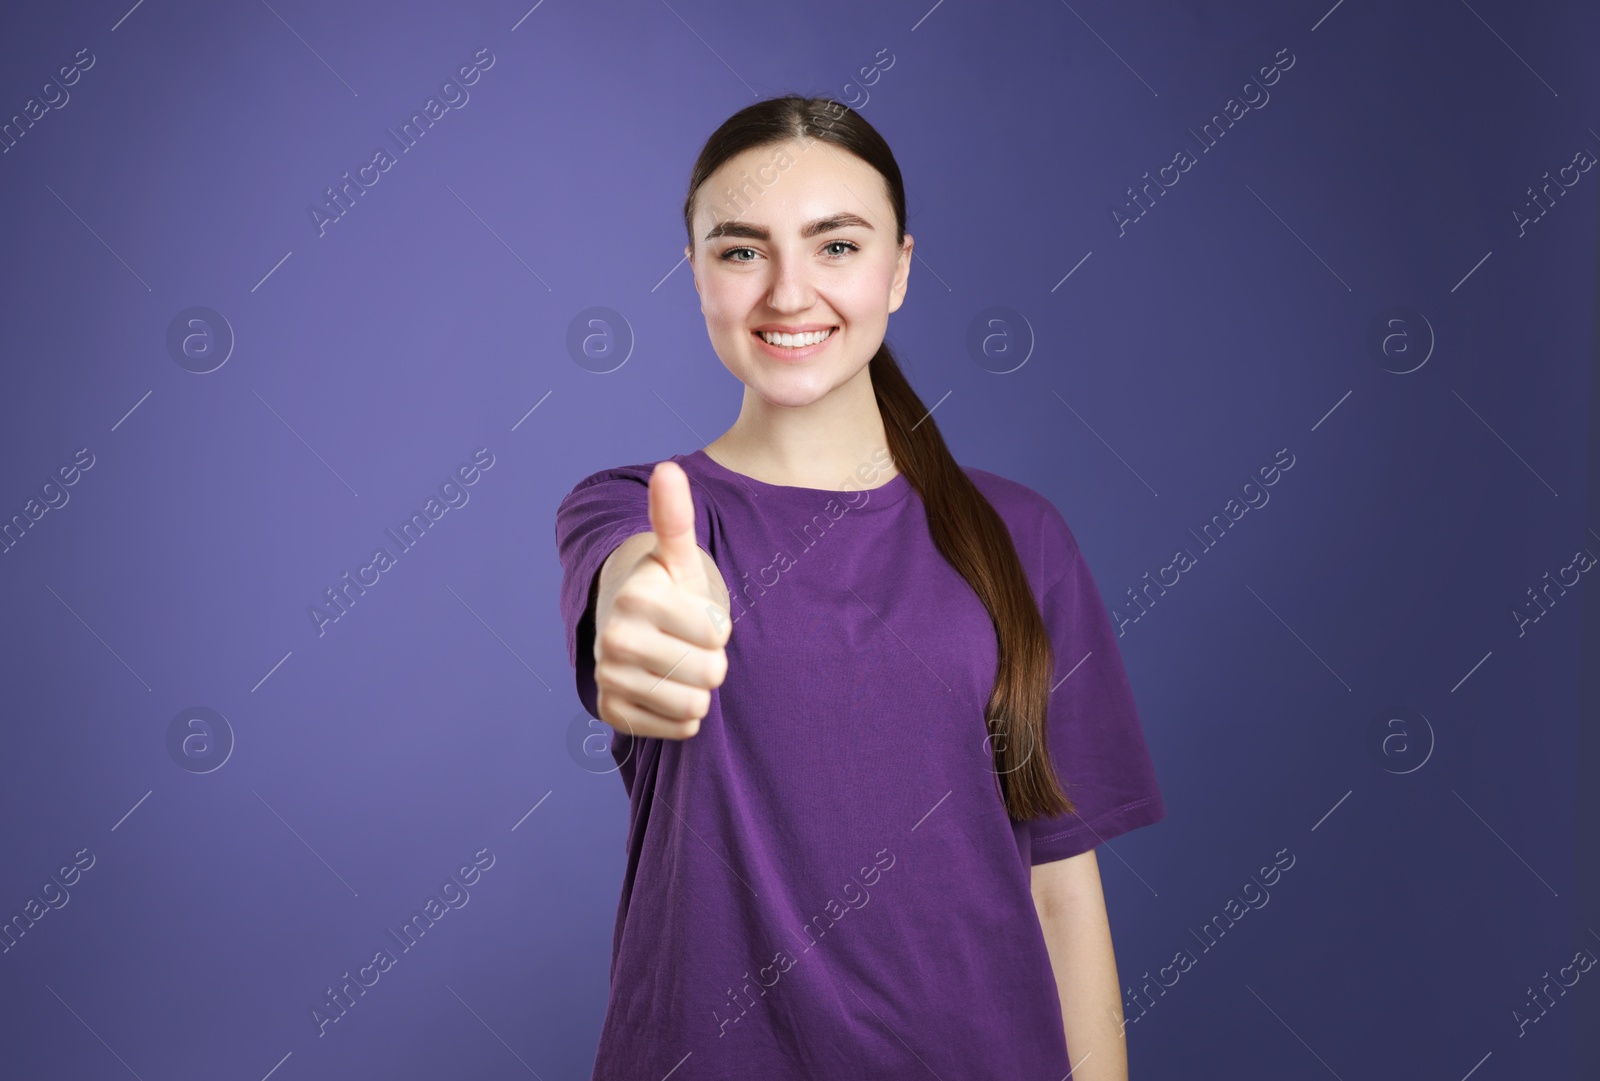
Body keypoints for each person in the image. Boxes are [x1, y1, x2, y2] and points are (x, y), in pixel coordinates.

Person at [554, 94, 1166, 1080]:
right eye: (741, 250)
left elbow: (1061, 890)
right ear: (696, 275)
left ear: (900, 270)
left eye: (835, 246)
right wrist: (642, 624)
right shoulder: (632, 510)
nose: (788, 292)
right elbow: (631, 597)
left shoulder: (1021, 537)